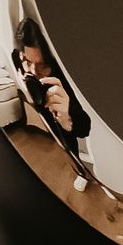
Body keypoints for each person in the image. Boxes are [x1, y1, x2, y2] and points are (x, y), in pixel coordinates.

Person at [13, 20, 91, 190]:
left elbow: (85, 128)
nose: (34, 72)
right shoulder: (17, 60)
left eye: (43, 65)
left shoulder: (60, 80)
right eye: (28, 61)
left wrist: (67, 118)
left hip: (65, 146)